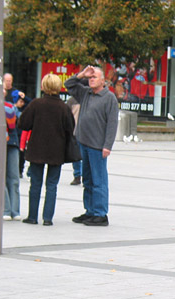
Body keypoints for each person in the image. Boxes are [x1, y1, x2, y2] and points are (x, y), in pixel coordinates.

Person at [18, 74, 75, 226]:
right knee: (52, 185)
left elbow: (23, 123)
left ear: (43, 86)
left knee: (35, 184)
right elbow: (70, 128)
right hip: (57, 151)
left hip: (37, 149)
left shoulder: (36, 104)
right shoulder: (63, 107)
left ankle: (32, 216)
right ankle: (48, 218)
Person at [65, 65, 119, 226]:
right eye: (90, 77)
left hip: (97, 145)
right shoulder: (86, 93)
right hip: (84, 142)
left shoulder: (109, 98)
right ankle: (90, 211)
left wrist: (107, 145)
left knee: (98, 180)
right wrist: (81, 74)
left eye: (94, 77)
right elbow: (69, 84)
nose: (91, 79)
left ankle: (100, 213)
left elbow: (112, 124)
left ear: (103, 80)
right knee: (87, 180)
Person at [3, 88, 21, 221]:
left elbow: (13, 124)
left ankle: (15, 210)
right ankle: (6, 210)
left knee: (13, 177)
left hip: (12, 142)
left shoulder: (9, 107)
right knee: (0, 179)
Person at [66, 97, 82, 185]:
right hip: (79, 131)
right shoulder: (88, 98)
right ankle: (79, 175)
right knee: (79, 155)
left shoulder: (71, 101)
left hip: (76, 131)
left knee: (76, 155)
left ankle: (77, 175)